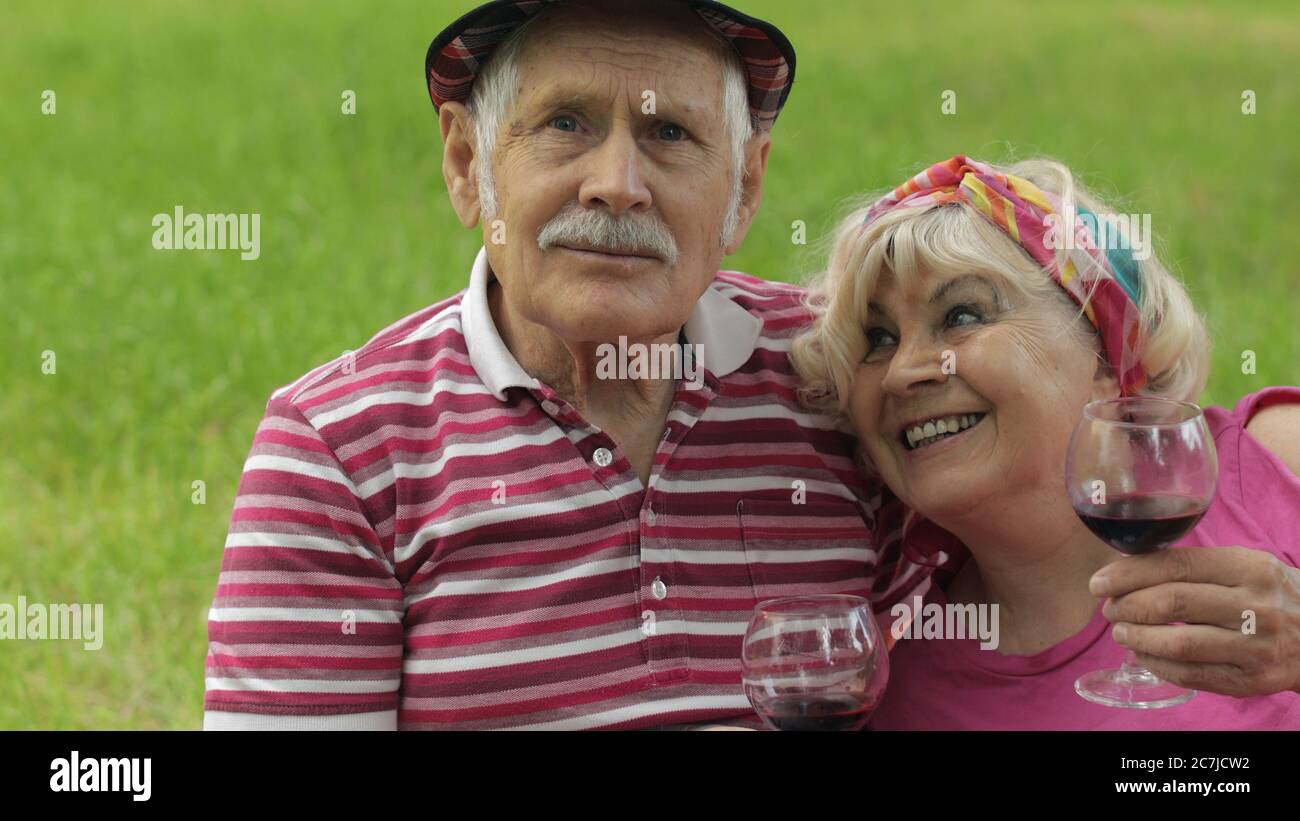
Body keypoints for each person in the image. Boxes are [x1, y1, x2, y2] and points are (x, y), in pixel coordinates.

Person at [202, 0, 949, 730]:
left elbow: (1025, 630)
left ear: (745, 189)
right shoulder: (339, 451)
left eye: (669, 131)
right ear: (467, 166)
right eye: (566, 123)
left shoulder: (841, 371)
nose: (617, 183)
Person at [790, 155, 1300, 729]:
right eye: (878, 337)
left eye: (961, 315)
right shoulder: (903, 696)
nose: (902, 372)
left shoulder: (1276, 459)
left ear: (1106, 356)